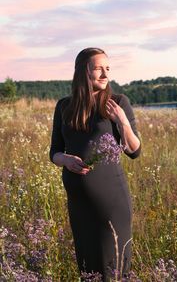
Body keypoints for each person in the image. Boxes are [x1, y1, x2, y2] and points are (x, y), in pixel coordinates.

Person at [49, 47, 141, 281]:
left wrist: (122, 122)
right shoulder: (64, 107)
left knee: (114, 269)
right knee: (88, 269)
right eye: (98, 68)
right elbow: (54, 153)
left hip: (111, 202)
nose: (104, 74)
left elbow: (134, 150)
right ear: (83, 71)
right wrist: (66, 160)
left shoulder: (118, 102)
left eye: (107, 68)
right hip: (79, 204)